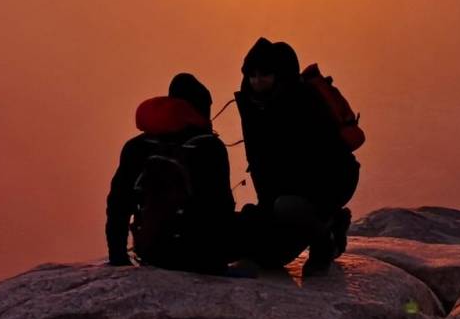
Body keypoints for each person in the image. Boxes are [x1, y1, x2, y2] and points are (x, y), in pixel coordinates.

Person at [233, 37, 359, 275]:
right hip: (286, 195)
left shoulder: (303, 103)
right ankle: (329, 222)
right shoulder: (254, 107)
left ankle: (325, 240)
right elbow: (260, 163)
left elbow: (318, 163)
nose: (257, 81)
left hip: (328, 184)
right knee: (269, 257)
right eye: (252, 75)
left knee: (286, 207)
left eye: (264, 74)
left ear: (278, 74)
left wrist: (310, 212)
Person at [105, 72, 234, 273]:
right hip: (201, 257)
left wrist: (118, 256)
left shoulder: (137, 146)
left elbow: (118, 204)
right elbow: (221, 207)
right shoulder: (210, 147)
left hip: (152, 252)